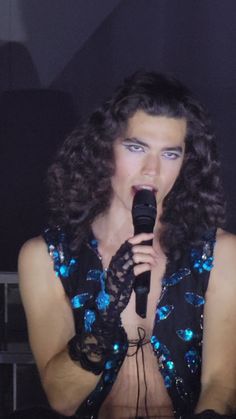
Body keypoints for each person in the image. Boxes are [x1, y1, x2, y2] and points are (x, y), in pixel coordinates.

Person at [17, 71, 236, 419]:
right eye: (136, 148)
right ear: (105, 149)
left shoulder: (220, 254)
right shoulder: (45, 256)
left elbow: (220, 385)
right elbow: (62, 398)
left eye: (170, 154)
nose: (151, 170)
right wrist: (104, 320)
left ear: (186, 162)